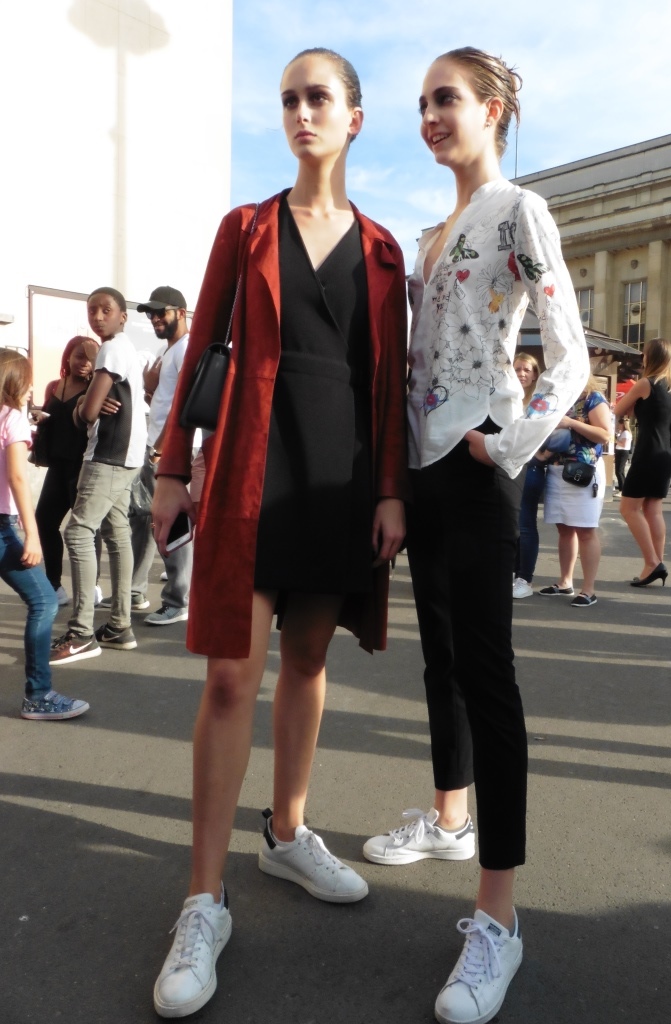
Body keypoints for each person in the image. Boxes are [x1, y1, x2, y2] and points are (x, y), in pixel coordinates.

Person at [150, 49, 409, 1019]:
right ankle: (202, 901)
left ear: (354, 117)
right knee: (230, 674)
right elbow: (199, 353)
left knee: (306, 659)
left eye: (319, 98)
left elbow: (389, 381)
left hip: (340, 477)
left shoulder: (383, 250)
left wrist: (391, 491)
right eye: (290, 98)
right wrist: (171, 468)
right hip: (255, 468)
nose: (302, 112)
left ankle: (288, 833)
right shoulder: (246, 226)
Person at [363, 48, 588, 1024]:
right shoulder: (432, 234)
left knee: (487, 674)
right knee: (441, 660)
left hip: (479, 460)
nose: (429, 115)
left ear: (493, 109)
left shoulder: (517, 210)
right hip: (425, 469)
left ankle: (498, 915)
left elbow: (569, 352)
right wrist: (400, 478)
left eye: (446, 98)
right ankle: (450, 817)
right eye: (421, 102)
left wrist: (509, 442)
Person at [49, 287, 147, 663]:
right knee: (116, 532)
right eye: (92, 310)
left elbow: (87, 415)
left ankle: (81, 634)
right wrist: (88, 400)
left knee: (77, 532)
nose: (98, 317)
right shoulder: (126, 349)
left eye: (106, 310)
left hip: (107, 455)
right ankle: (119, 625)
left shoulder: (111, 349)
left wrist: (81, 405)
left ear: (123, 316)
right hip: (127, 456)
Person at [0, 349, 88, 721]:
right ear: (15, 382)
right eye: (28, 381)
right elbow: (18, 479)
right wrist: (33, 535)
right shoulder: (11, 419)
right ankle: (38, 696)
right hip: (2, 527)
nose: (31, 388)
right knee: (44, 601)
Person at [130, 286, 193, 625]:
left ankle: (178, 600)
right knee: (154, 519)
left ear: (181, 312)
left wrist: (161, 450)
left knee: (173, 522)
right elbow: (166, 400)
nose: (155, 318)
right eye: (151, 314)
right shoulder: (168, 351)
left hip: (171, 449)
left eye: (161, 312)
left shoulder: (187, 348)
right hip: (160, 446)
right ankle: (147, 591)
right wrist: (151, 390)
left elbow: (183, 405)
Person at [31, 337, 95, 604]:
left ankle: (91, 587)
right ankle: (54, 584)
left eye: (90, 358)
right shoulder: (55, 386)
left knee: (84, 530)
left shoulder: (97, 388)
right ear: (68, 356)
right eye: (79, 356)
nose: (84, 362)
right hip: (57, 466)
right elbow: (52, 417)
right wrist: (41, 417)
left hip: (83, 466)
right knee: (45, 521)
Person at [539, 375, 611, 606]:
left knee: (586, 530)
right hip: (557, 470)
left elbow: (605, 434)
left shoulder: (592, 398)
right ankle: (565, 582)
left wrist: (571, 423)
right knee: (564, 528)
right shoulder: (558, 398)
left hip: (583, 470)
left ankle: (588, 590)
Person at [615, 337, 671, 586]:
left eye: (644, 353)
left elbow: (618, 409)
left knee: (628, 509)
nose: (642, 357)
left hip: (648, 452)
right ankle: (656, 563)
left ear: (650, 357)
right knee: (653, 510)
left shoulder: (645, 383)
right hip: (665, 453)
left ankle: (652, 563)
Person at [512, 353, 548, 599]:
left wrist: (541, 455)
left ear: (535, 374)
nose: (521, 374)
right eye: (517, 369)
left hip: (530, 469)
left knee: (524, 525)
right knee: (509, 525)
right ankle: (512, 574)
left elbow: (552, 433)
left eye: (526, 369)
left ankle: (524, 579)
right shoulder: (507, 398)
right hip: (507, 468)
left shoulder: (539, 401)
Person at [614, 415, 632, 493]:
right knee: (620, 471)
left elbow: (623, 444)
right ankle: (623, 487)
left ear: (623, 425)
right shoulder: (623, 433)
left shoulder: (626, 433)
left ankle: (622, 490)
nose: (618, 426)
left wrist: (615, 441)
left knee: (619, 471)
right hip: (620, 452)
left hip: (623, 452)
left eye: (619, 424)